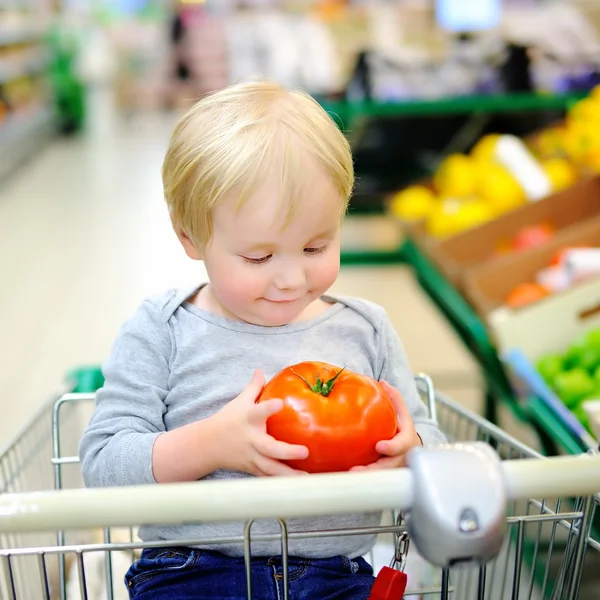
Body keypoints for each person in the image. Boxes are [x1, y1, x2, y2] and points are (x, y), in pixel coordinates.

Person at [79, 79, 447, 600]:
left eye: (316, 246)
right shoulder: (163, 329)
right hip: (192, 574)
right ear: (190, 236)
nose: (292, 278)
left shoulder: (365, 330)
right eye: (259, 257)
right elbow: (103, 463)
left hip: (337, 575)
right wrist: (210, 444)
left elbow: (428, 435)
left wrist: (412, 452)